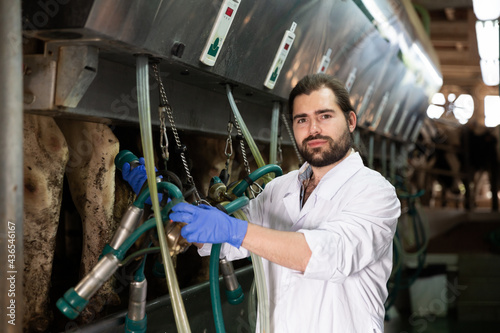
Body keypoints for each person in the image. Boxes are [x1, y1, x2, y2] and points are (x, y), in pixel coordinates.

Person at [124, 73, 401, 332]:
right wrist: (167, 203)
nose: (313, 129)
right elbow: (216, 241)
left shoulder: (375, 192)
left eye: (325, 116)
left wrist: (235, 230)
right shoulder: (280, 188)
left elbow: (328, 256)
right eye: (302, 120)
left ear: (350, 121)